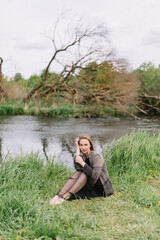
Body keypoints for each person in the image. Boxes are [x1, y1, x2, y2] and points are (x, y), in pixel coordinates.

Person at [50, 134, 113, 205]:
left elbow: (95, 176)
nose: (83, 147)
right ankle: (58, 196)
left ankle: (66, 196)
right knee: (78, 172)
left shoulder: (96, 156)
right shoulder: (83, 156)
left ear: (90, 145)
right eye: (81, 145)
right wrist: (77, 149)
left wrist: (82, 163)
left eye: (86, 144)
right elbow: (77, 168)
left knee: (84, 173)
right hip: (90, 183)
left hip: (101, 187)